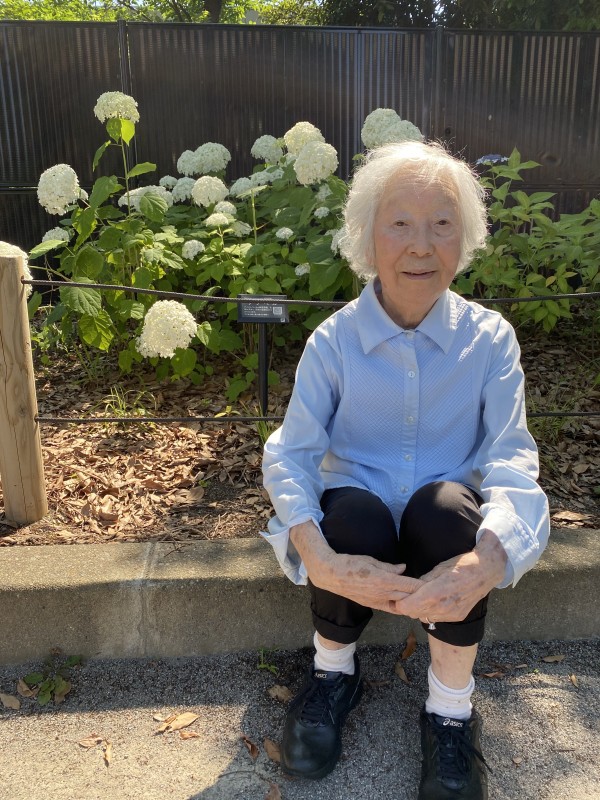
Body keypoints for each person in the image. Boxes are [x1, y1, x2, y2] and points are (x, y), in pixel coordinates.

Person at [261, 140, 550, 800]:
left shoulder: (490, 340)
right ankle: (333, 673)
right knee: (347, 514)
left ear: (463, 239)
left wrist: (490, 561)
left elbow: (511, 458)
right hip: (359, 525)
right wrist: (317, 558)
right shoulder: (334, 341)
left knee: (450, 509)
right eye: (400, 223)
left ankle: (450, 710)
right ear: (368, 237)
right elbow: (291, 454)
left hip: (438, 531)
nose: (422, 246)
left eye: (442, 223)